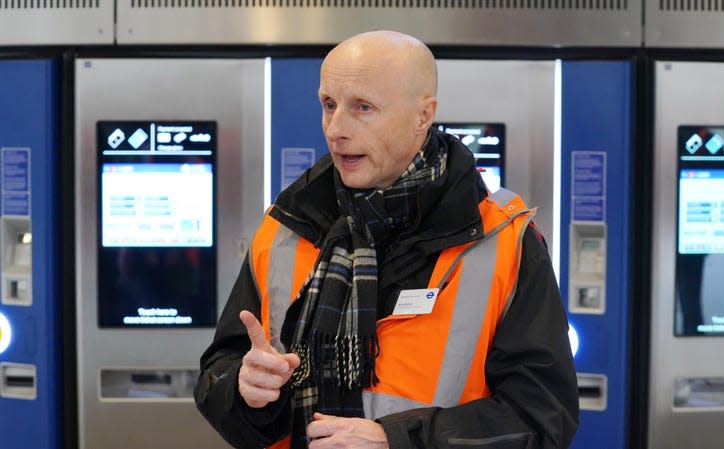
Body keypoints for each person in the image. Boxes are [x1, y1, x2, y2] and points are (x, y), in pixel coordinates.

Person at [194, 30, 579, 449]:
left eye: (363, 107)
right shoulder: (286, 227)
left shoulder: (504, 242)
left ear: (423, 115)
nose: (336, 128)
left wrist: (396, 441)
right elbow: (221, 372)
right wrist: (246, 392)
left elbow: (542, 419)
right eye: (328, 105)